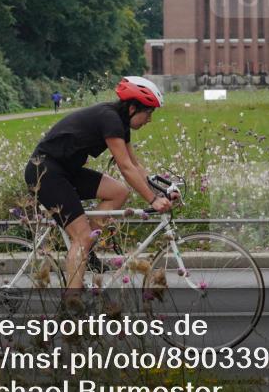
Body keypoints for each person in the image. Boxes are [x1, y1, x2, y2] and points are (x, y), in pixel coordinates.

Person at [25, 76, 173, 289]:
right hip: (45, 172)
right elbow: (125, 167)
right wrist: (152, 200)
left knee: (118, 192)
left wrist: (162, 191)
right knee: (81, 237)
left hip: (66, 171)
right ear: (132, 108)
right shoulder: (109, 119)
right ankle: (71, 308)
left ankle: (87, 248)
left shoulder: (121, 123)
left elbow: (135, 165)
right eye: (148, 112)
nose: (149, 119)